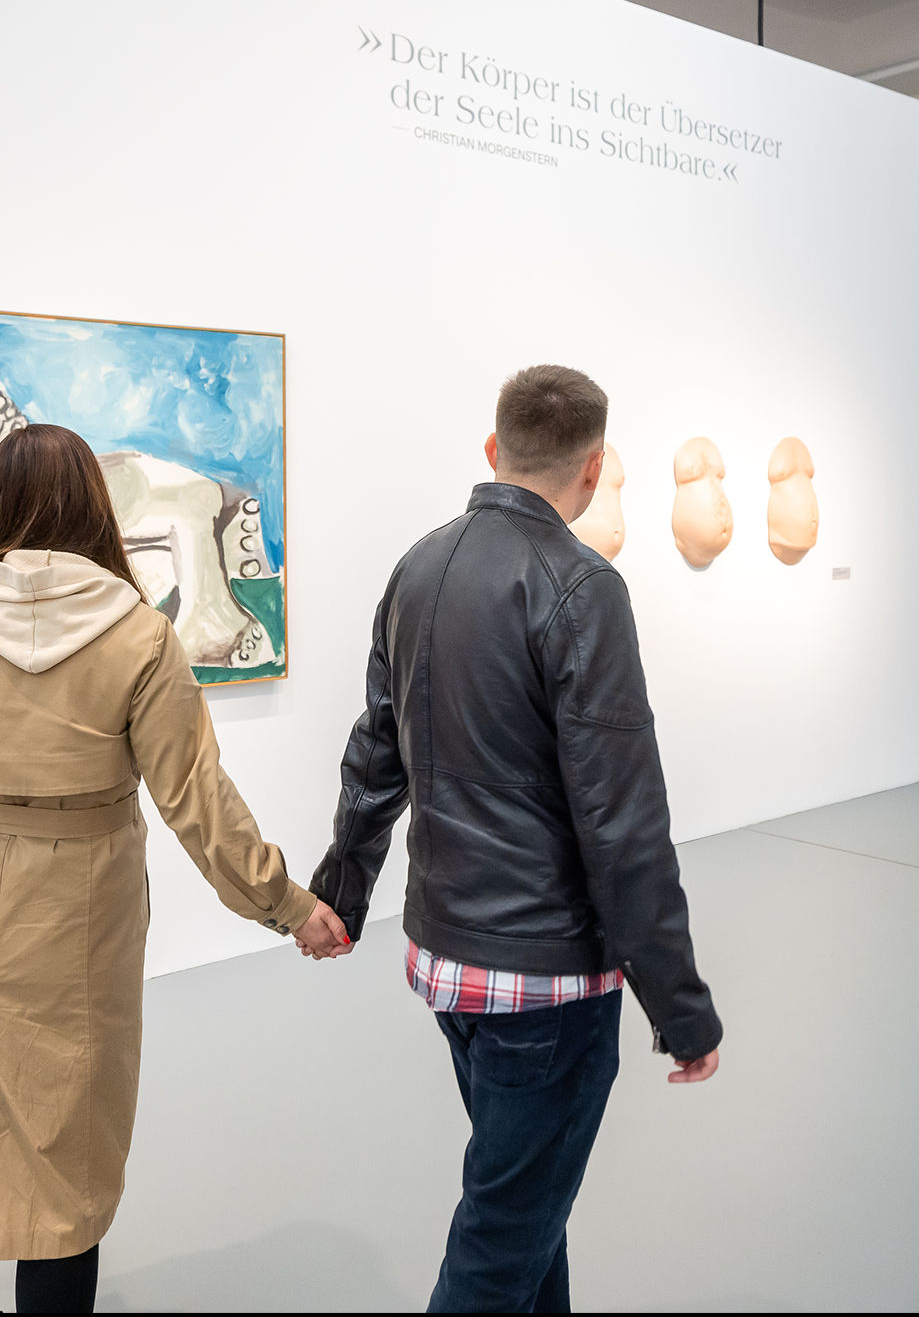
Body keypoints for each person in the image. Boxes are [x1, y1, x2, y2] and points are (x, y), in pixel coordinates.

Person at [0, 423, 350, 1314]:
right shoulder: (140, 635)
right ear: (95, 502)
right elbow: (198, 801)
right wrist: (286, 904)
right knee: (66, 1157)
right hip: (79, 907)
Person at [305, 364, 723, 1314]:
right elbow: (623, 823)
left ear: (493, 449)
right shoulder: (584, 588)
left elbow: (376, 753)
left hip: (449, 963)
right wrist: (681, 1005)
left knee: (530, 1210)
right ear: (595, 467)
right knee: (501, 1245)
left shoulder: (417, 568)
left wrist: (343, 892)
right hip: (546, 981)